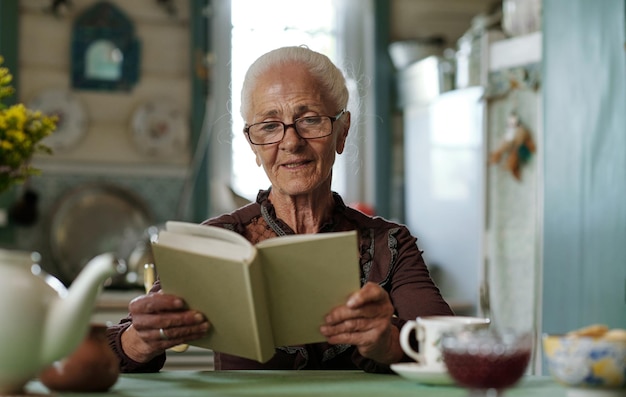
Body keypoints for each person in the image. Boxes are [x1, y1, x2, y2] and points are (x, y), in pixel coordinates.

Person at [106, 46, 454, 373]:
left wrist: (388, 343)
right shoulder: (216, 242)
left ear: (342, 131)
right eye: (269, 126)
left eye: (310, 120)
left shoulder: (389, 244)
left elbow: (451, 349)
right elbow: (110, 351)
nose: (290, 141)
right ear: (253, 147)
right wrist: (141, 339)